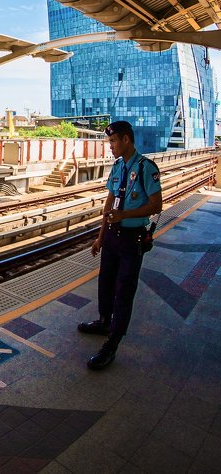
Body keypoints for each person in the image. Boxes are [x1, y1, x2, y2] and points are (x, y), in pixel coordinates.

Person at [79, 120, 161, 370]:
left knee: (124, 290)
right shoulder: (117, 167)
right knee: (106, 282)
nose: (110, 147)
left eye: (113, 142)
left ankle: (112, 343)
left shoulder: (146, 167)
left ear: (126, 139)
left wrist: (124, 216)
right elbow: (109, 202)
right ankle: (104, 321)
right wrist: (100, 237)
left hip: (132, 237)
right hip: (113, 235)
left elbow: (156, 205)